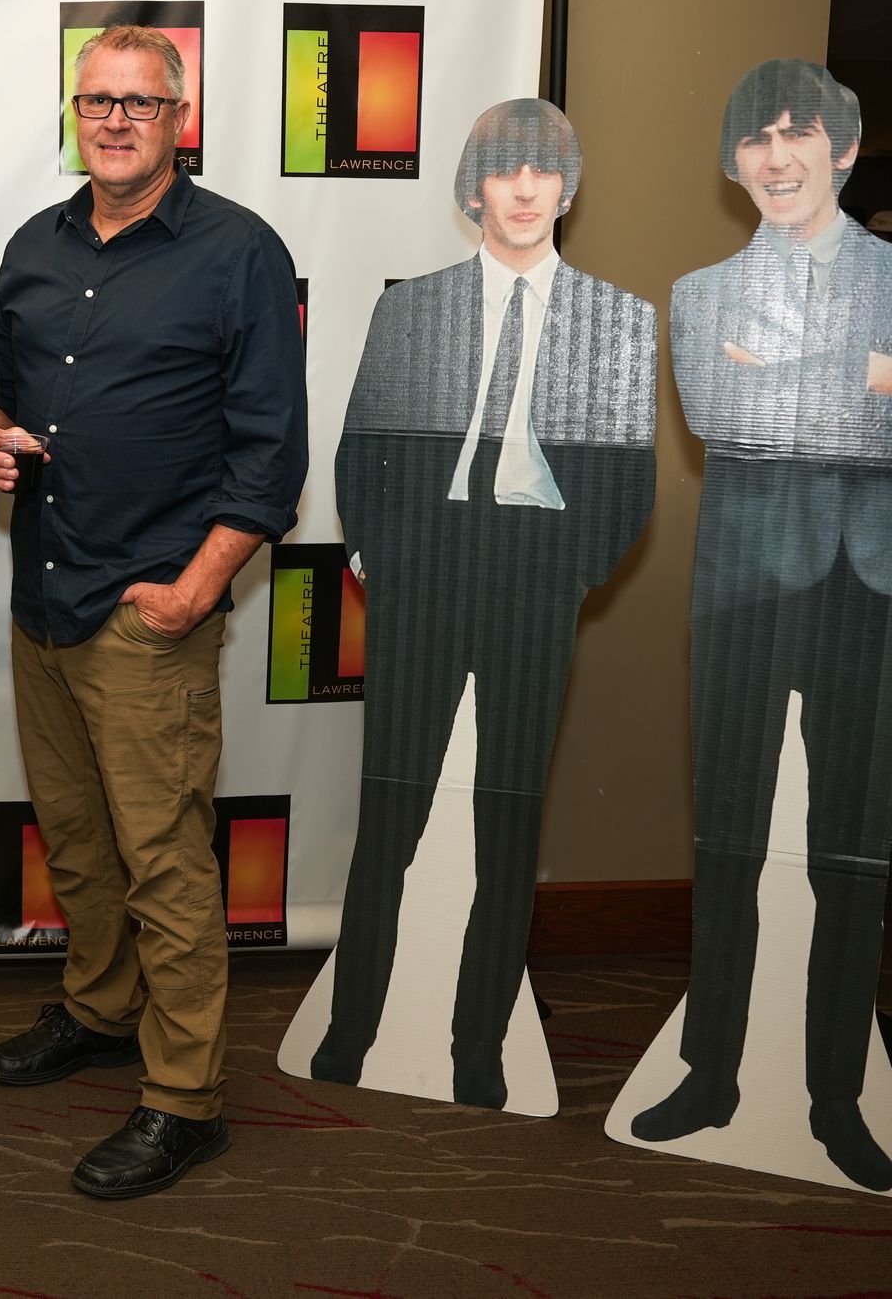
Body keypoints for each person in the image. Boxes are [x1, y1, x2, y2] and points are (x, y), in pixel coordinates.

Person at [0, 25, 308, 1198]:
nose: (115, 121)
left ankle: (186, 1099)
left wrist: (197, 589)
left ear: (179, 118)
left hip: (149, 606)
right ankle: (103, 1010)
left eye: (140, 103)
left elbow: (271, 451)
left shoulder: (239, 251)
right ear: (77, 114)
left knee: (164, 862)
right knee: (78, 840)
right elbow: (3, 400)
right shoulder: (34, 245)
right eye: (97, 102)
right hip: (45, 595)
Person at [310, 99, 658, 1110]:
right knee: (393, 812)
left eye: (544, 170)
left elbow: (630, 480)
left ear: (568, 186)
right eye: (505, 170)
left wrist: (571, 572)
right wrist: (378, 557)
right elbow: (361, 447)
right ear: (474, 190)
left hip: (535, 579)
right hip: (422, 572)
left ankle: (481, 1045)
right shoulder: (412, 310)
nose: (525, 189)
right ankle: (352, 1028)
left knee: (507, 820)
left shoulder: (617, 321)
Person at [632, 60, 892, 1192]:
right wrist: (868, 376)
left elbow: (811, 417)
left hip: (871, 591)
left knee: (852, 852)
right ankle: (711, 1073)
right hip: (741, 588)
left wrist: (789, 374)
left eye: (801, 134)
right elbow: (721, 414)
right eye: (757, 138)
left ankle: (838, 1095)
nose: (778, 157)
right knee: (729, 840)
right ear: (734, 162)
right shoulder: (701, 294)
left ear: (846, 148)